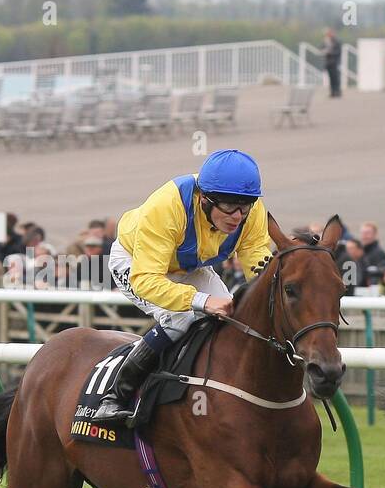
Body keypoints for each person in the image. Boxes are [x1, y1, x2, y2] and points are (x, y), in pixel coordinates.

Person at [93, 149, 274, 423]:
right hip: (137, 264)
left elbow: (257, 263)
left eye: (245, 205)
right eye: (228, 205)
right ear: (204, 199)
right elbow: (147, 280)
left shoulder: (252, 211)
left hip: (189, 266)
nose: (238, 216)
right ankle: (115, 396)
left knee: (233, 319)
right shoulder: (167, 206)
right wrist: (202, 301)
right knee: (180, 317)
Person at [322, 28, 342, 98]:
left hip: (334, 62)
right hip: (328, 62)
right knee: (331, 78)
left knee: (335, 78)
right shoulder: (326, 41)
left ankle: (337, 91)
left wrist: (330, 53)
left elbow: (338, 51)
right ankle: (333, 92)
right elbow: (322, 48)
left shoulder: (336, 41)